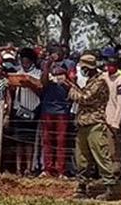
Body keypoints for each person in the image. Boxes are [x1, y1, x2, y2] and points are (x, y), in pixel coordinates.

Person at [66, 53, 116, 201]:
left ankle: (110, 188)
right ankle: (82, 187)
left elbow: (84, 97)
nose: (82, 70)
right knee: (82, 158)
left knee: (101, 155)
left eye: (83, 67)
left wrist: (68, 85)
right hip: (83, 123)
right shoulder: (91, 81)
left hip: (95, 123)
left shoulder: (99, 82)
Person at [39, 46, 73, 178]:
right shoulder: (45, 65)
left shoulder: (69, 64)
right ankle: (48, 169)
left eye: (57, 53)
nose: (55, 56)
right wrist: (47, 67)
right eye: (52, 53)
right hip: (47, 107)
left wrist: (63, 75)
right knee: (47, 140)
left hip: (62, 108)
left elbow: (72, 84)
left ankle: (61, 170)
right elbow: (43, 83)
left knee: (61, 140)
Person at [11, 47, 42, 176]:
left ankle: (29, 167)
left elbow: (41, 90)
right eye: (23, 61)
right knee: (19, 141)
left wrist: (29, 84)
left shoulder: (37, 73)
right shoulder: (18, 72)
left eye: (27, 61)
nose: (25, 64)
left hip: (33, 108)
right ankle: (18, 168)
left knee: (29, 141)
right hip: (19, 109)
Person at [102, 49, 121, 178]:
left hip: (114, 119)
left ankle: (115, 174)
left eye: (112, 66)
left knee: (114, 149)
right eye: (108, 65)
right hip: (103, 117)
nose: (110, 68)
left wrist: (116, 121)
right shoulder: (104, 76)